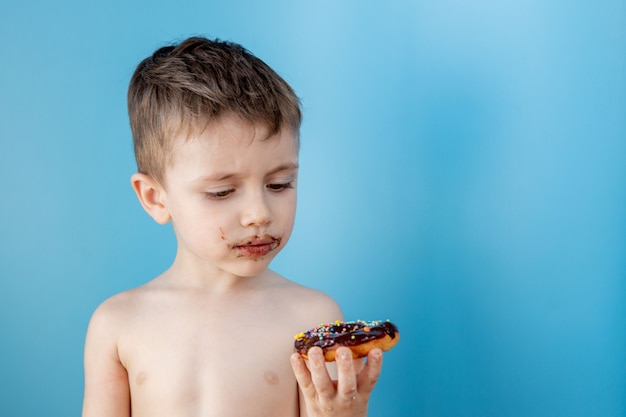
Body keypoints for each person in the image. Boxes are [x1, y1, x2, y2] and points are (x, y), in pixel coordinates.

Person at [82, 36, 385, 417]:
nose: (259, 213)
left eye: (279, 184)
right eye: (222, 192)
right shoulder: (117, 324)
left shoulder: (311, 317)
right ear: (156, 198)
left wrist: (344, 414)